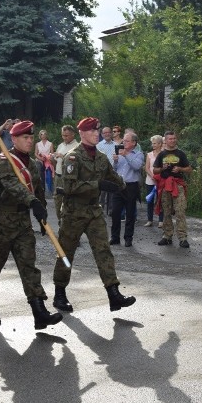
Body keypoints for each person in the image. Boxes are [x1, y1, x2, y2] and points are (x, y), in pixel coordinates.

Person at [0, 119, 62, 330]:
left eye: (31, 137)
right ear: (13, 139)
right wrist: (32, 202)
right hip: (1, 223)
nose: (29, 141)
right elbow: (13, 185)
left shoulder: (33, 164)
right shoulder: (2, 161)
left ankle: (39, 311)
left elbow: (38, 190)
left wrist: (41, 213)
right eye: (25, 137)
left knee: (29, 266)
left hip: (23, 224)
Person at [51, 117, 136, 313]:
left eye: (97, 130)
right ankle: (60, 293)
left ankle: (113, 294)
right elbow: (70, 187)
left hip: (93, 211)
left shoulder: (100, 157)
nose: (96, 134)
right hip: (74, 212)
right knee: (66, 254)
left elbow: (113, 178)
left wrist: (125, 188)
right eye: (91, 131)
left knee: (103, 251)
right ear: (81, 134)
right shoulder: (72, 157)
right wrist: (98, 185)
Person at [153, 131, 193, 248]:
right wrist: (162, 168)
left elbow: (189, 169)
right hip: (166, 185)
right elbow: (155, 170)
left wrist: (180, 169)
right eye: (170, 139)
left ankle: (183, 238)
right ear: (166, 140)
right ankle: (167, 236)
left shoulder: (181, 154)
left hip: (178, 184)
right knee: (166, 212)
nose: (173, 140)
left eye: (174, 138)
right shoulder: (161, 154)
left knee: (180, 211)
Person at [110, 130, 143, 247]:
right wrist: (115, 161)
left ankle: (128, 238)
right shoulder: (119, 152)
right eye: (123, 140)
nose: (124, 142)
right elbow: (114, 169)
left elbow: (137, 166)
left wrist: (126, 155)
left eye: (127, 141)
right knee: (115, 212)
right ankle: (115, 237)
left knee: (130, 213)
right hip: (118, 185)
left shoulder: (138, 154)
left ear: (134, 143)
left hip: (131, 186)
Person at [50, 125, 79, 227]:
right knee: (57, 201)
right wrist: (52, 158)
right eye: (63, 135)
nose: (64, 138)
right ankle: (61, 224)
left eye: (67, 135)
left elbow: (77, 163)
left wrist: (63, 156)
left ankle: (71, 229)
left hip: (69, 179)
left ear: (73, 134)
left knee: (70, 204)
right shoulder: (60, 145)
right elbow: (56, 163)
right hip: (58, 177)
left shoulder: (77, 146)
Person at [144, 134, 164, 228]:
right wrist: (153, 176)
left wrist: (158, 177)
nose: (153, 145)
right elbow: (147, 167)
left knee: (161, 200)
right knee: (150, 200)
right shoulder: (149, 154)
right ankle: (149, 220)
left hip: (161, 180)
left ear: (160, 144)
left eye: (155, 143)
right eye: (152, 143)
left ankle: (161, 220)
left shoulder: (164, 154)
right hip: (150, 180)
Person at [96, 126, 117, 215]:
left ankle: (111, 210)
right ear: (102, 134)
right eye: (105, 133)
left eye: (109, 132)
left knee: (112, 191)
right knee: (102, 192)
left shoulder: (116, 145)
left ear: (111, 133)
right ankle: (101, 209)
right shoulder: (98, 145)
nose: (107, 134)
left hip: (113, 171)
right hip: (102, 172)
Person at [35, 129, 54, 196]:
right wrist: (40, 158)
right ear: (40, 135)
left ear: (46, 135)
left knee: (48, 172)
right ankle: (42, 189)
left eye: (44, 134)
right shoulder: (37, 144)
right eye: (42, 134)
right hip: (40, 159)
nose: (43, 135)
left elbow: (52, 153)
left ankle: (49, 190)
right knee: (39, 169)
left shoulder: (50, 144)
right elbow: (35, 153)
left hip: (47, 160)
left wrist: (48, 158)